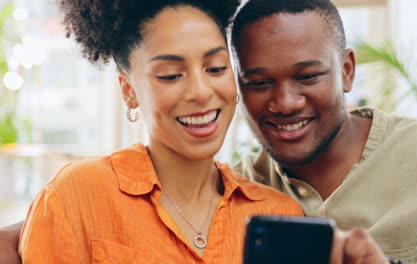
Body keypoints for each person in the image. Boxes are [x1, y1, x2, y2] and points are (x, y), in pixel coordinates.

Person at [16, 0, 309, 263]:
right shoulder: (75, 197)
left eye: (216, 68)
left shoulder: (280, 216)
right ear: (129, 91)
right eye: (171, 75)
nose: (200, 92)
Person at [230, 0, 417, 263]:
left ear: (347, 71)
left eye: (308, 76)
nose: (286, 103)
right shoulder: (229, 191)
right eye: (260, 83)